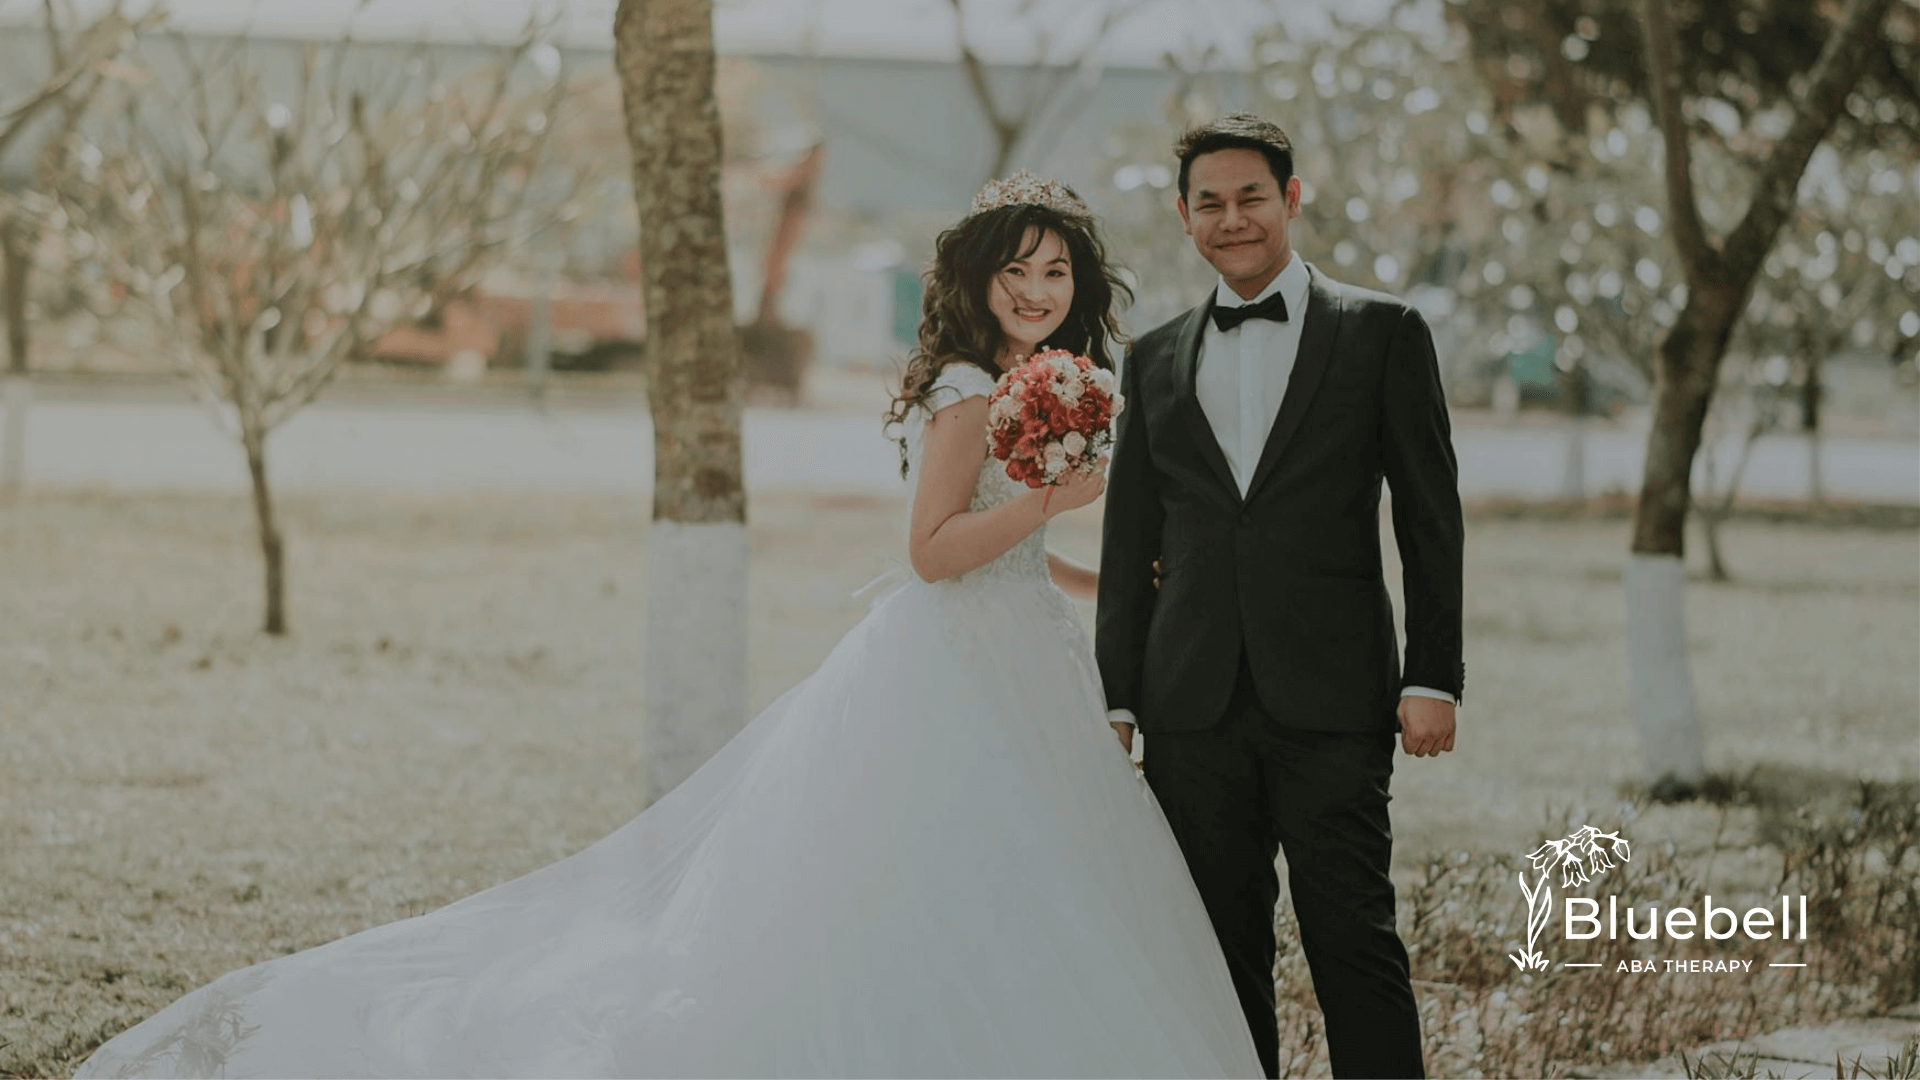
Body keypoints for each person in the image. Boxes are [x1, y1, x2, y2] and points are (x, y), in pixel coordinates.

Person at [72, 172, 1264, 1079]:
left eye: (1056, 275)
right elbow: (934, 554)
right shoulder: (965, 389)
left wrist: (1106, 584)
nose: (1037, 292)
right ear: (975, 278)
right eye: (1018, 271)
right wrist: (1058, 499)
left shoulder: (1029, 382)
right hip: (953, 675)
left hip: (1021, 659)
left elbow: (1001, 562)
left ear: (1079, 292)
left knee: (1031, 890)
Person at [1097, 113, 1465, 1080]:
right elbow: (1133, 539)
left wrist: (1435, 674)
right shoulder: (1154, 356)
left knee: (1354, 941)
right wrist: (1119, 697)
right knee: (1218, 961)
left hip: (1335, 700)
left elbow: (1430, 519)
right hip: (1190, 707)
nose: (1232, 219)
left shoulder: (1384, 332)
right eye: (1209, 203)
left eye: (1250, 197)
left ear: (1291, 200)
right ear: (1185, 219)